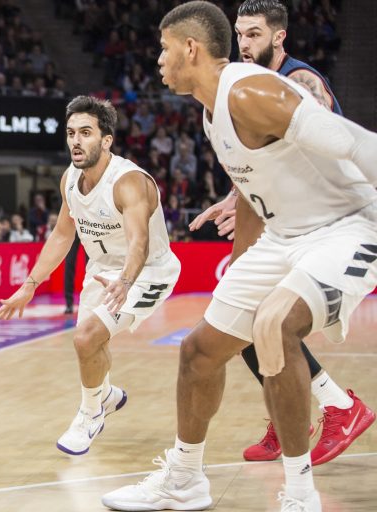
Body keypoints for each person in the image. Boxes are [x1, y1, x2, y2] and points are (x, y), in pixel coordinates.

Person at [102, 3, 377, 511]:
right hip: (286, 234)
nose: (158, 59)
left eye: (164, 48)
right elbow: (255, 194)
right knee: (199, 351)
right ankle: (185, 478)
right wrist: (242, 270)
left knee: (275, 324)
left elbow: (360, 145)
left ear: (190, 48)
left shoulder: (250, 91)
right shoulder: (212, 112)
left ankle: (301, 496)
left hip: (349, 226)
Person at [188, 0, 373, 466]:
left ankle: (332, 408)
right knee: (241, 322)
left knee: (269, 323)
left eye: (254, 34)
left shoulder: (299, 82)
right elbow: (265, 162)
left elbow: (323, 156)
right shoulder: (239, 89)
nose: (244, 44)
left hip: (331, 224)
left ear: (279, 37)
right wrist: (236, 195)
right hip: (284, 218)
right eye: (239, 34)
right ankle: (297, 411)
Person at [0, 95, 181, 456]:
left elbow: (139, 242)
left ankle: (90, 414)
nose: (76, 141)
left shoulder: (128, 182)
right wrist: (30, 285)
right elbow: (62, 235)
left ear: (106, 140)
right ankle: (105, 396)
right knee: (90, 345)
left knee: (85, 337)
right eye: (71, 133)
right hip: (101, 270)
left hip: (146, 271)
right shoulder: (70, 178)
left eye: (85, 133)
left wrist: (125, 282)